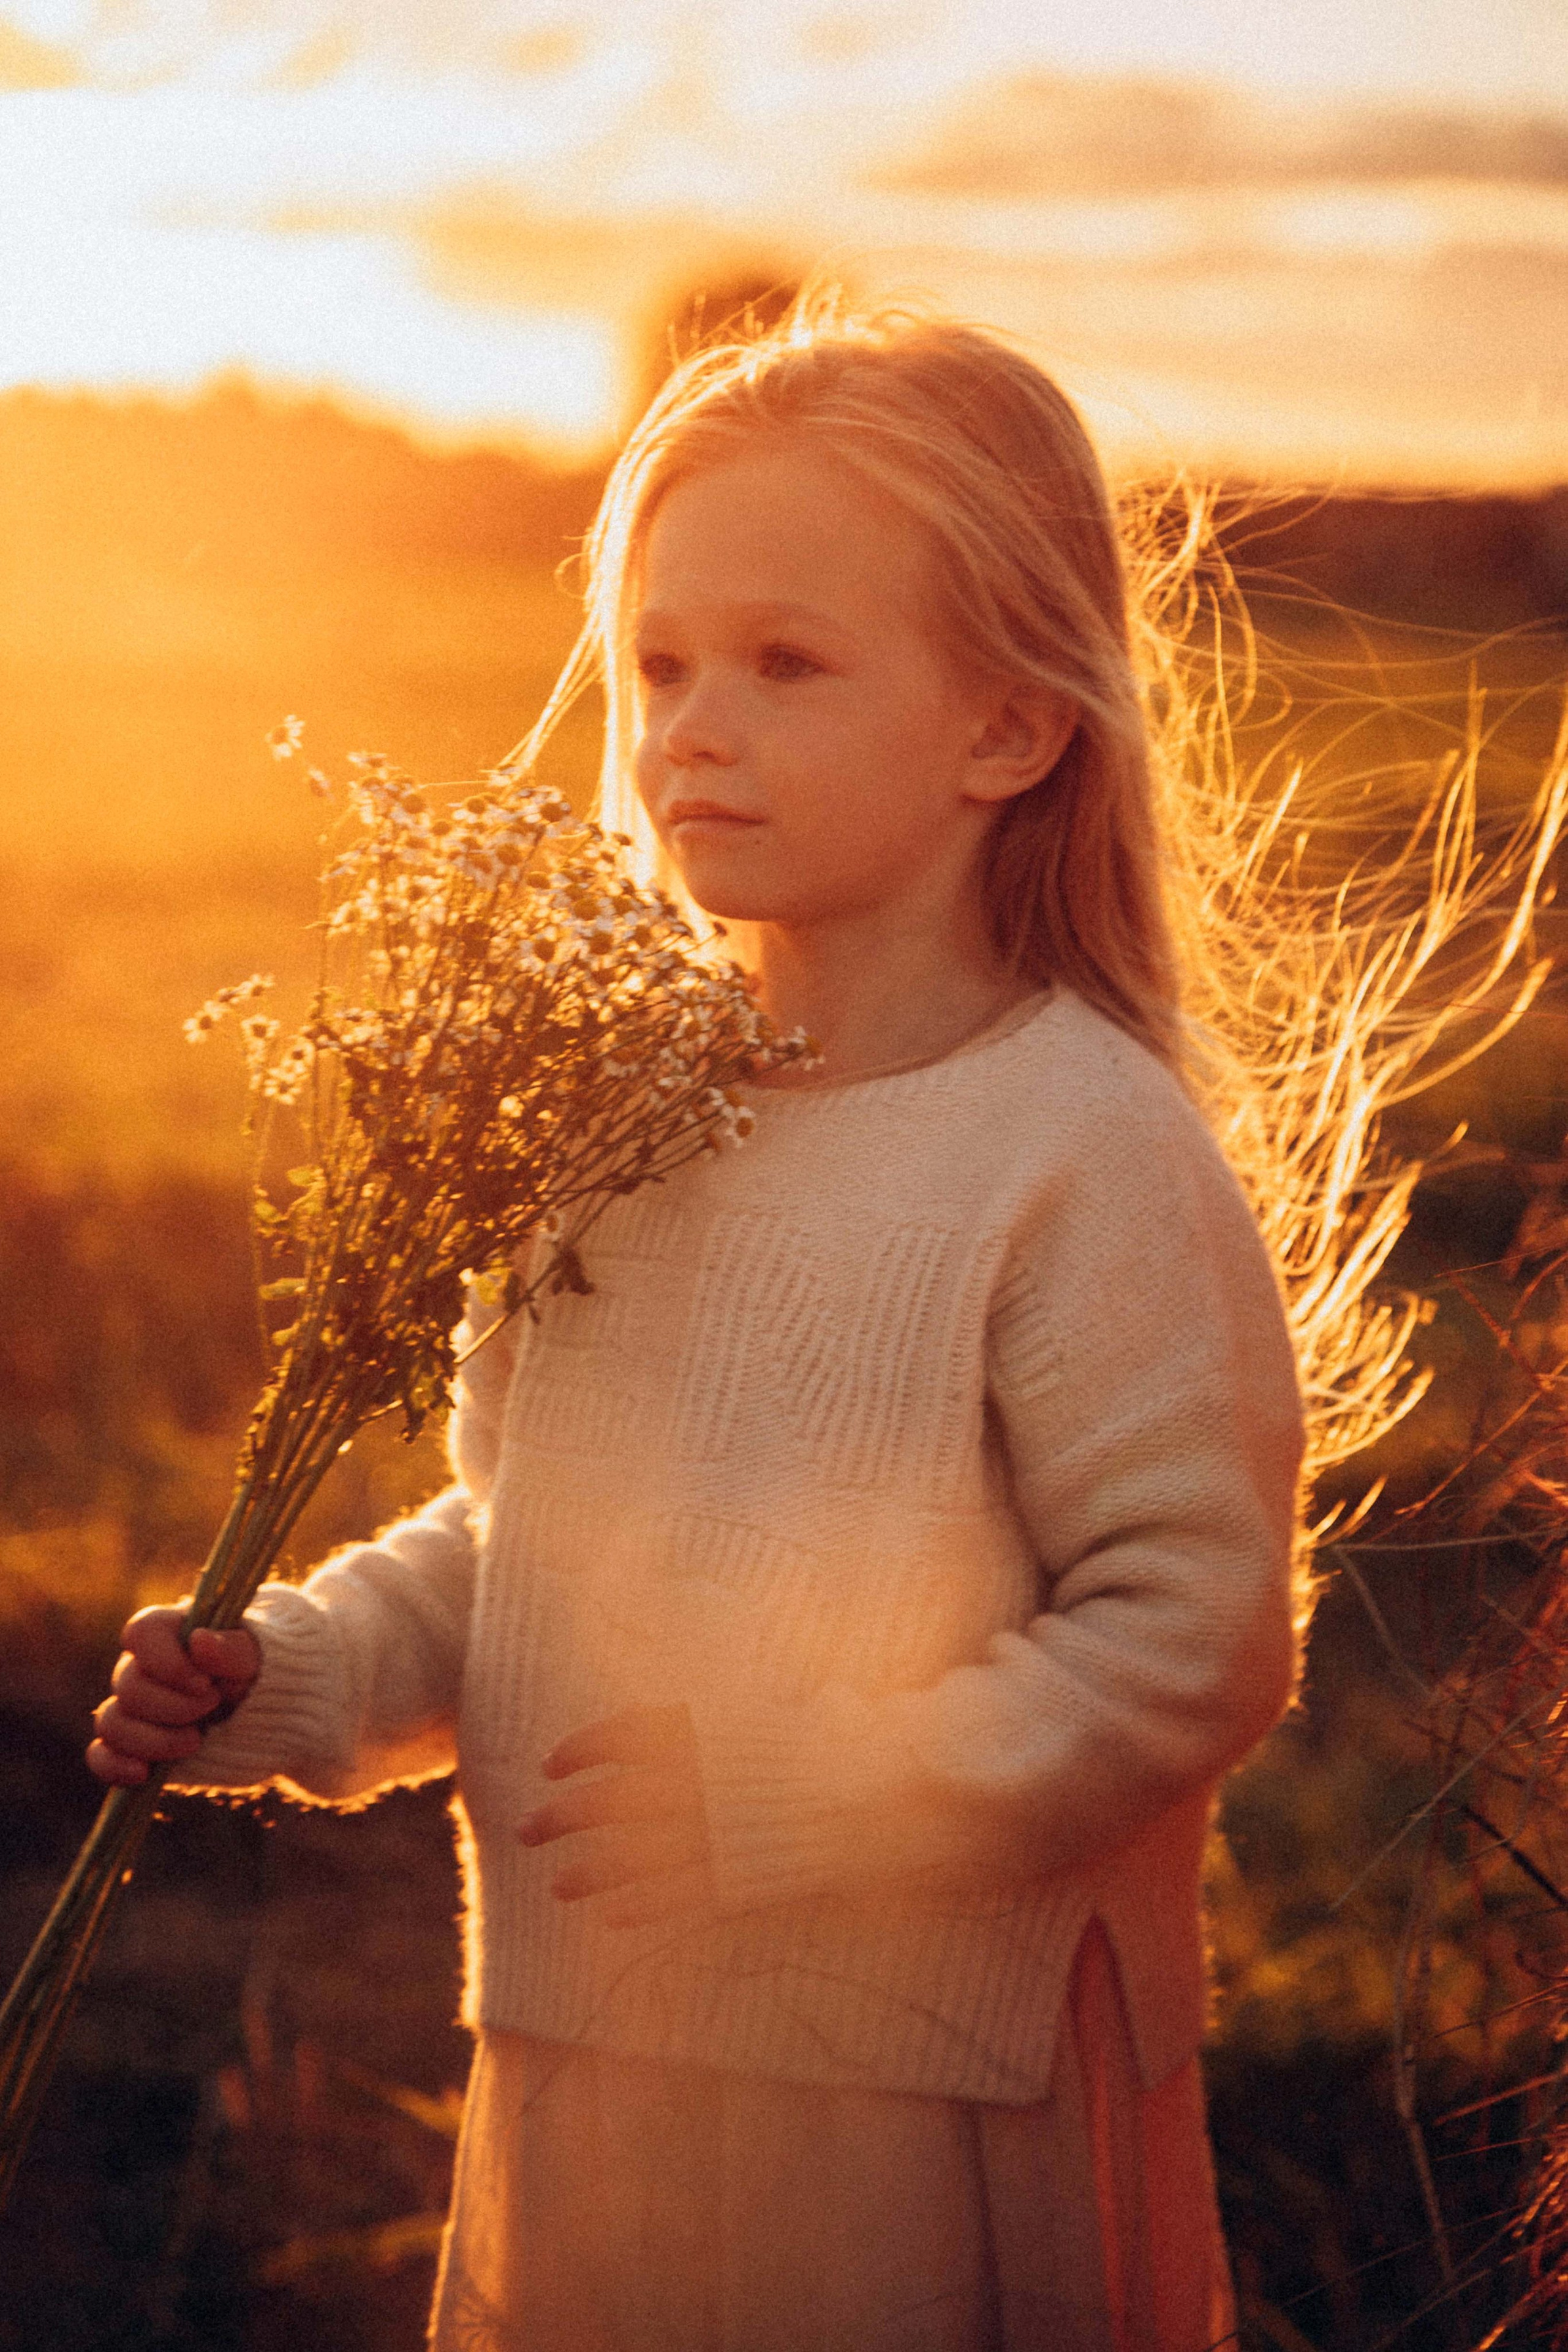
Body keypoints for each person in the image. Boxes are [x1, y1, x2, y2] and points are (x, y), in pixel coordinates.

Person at [88, 299, 1305, 2351]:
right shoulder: (602, 1107)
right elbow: (523, 1534)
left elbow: (1191, 1639)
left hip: (928, 2100)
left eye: (787, 664)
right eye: (658, 664)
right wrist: (292, 1678)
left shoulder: (1079, 1149)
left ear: (1009, 728)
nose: (688, 729)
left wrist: (805, 1796)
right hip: (596, 2075)